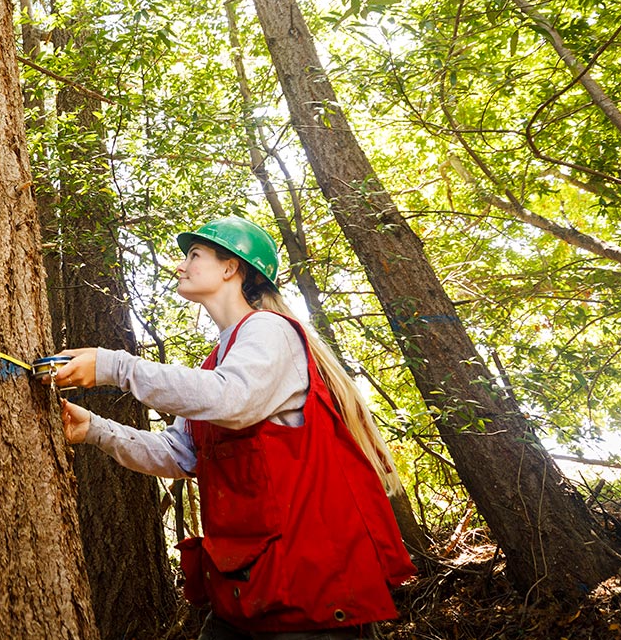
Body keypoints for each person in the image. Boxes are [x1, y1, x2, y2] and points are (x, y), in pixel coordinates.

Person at [49, 216, 415, 639]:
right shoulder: (216, 362)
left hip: (307, 599)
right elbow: (180, 453)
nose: (181, 265)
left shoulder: (268, 330)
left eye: (194, 254)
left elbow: (232, 399)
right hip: (247, 594)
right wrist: (94, 428)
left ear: (231, 268)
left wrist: (115, 365)